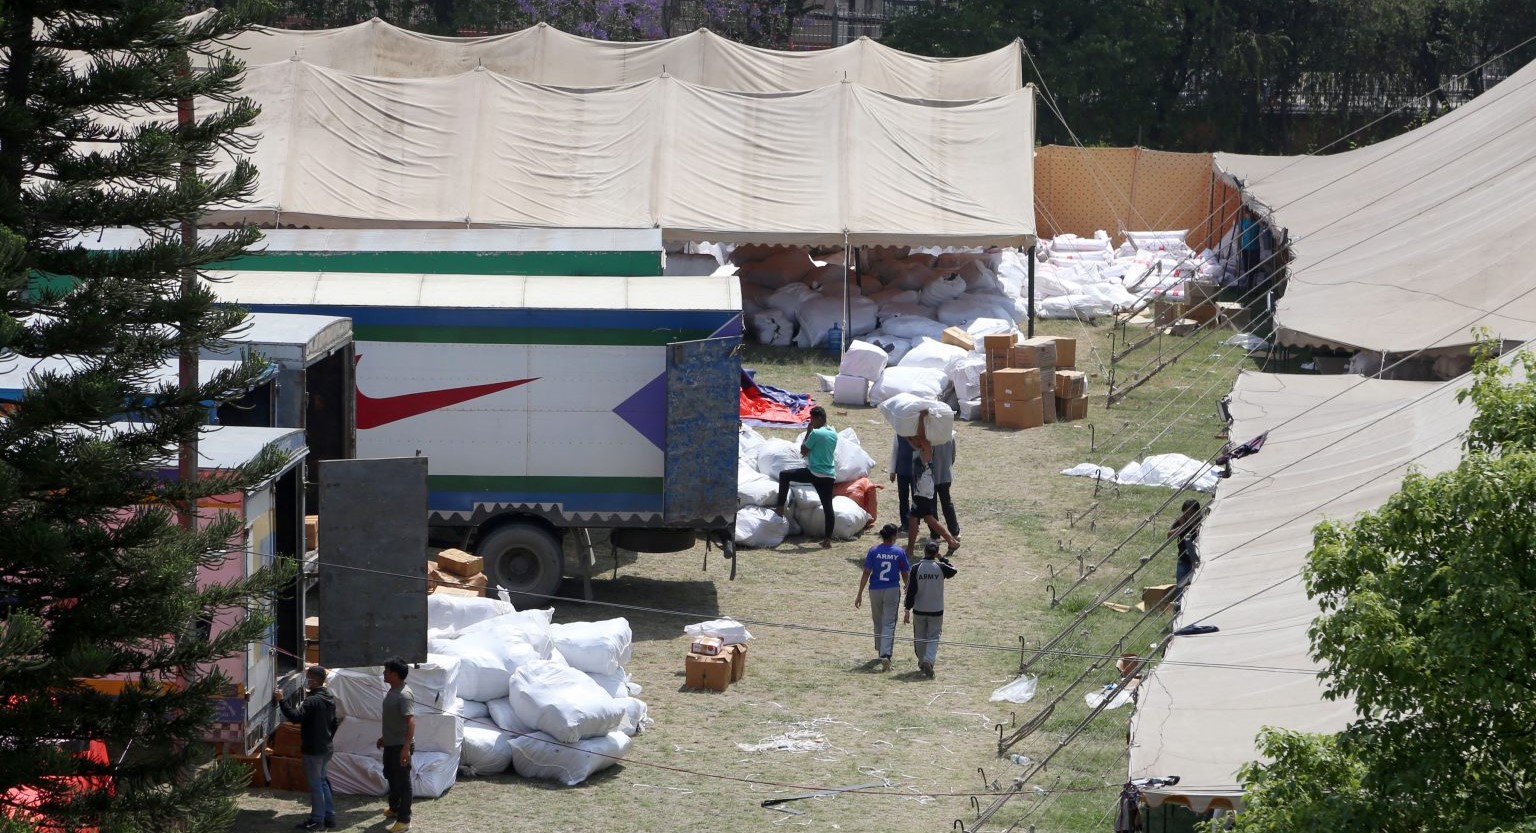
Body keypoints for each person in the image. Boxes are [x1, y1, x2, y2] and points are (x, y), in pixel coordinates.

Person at [273, 666, 338, 831]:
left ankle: (317, 820)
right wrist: (327, 737)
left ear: (314, 681)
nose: (305, 680)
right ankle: (329, 817)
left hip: (314, 749)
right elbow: (335, 723)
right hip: (326, 747)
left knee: (316, 784)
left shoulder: (311, 701)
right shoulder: (329, 697)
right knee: (323, 782)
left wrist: (281, 700)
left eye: (307, 677)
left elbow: (295, 717)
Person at [773, 405, 838, 548]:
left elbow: (803, 451)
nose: (811, 422)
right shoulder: (833, 432)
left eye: (812, 419)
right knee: (828, 507)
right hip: (829, 475)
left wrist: (808, 432)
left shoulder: (816, 433)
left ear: (819, 418)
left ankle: (780, 508)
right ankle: (827, 540)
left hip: (814, 473)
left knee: (784, 475)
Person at [854, 523, 910, 672]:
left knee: (877, 620)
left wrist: (859, 593)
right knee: (889, 622)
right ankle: (886, 653)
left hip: (875, 589)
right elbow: (905, 573)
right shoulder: (899, 552)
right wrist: (908, 586)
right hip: (891, 589)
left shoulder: (873, 551)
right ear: (893, 536)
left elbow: (866, 572)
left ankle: (880, 648)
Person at [904, 540, 956, 678]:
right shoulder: (940, 567)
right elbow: (954, 569)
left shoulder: (916, 567)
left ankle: (922, 662)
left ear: (925, 551)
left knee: (919, 637)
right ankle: (928, 660)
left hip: (919, 609)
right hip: (936, 609)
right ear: (936, 552)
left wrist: (907, 609)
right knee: (933, 636)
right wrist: (941, 557)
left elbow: (911, 590)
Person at [377, 658, 416, 833]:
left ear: (394, 674)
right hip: (391, 744)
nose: (384, 673)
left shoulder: (404, 694)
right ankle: (395, 808)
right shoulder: (392, 691)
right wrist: (384, 738)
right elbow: (395, 720)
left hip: (400, 746)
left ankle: (404, 820)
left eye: (386, 671)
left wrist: (406, 748)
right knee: (391, 776)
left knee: (403, 783)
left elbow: (411, 723)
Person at [907, 449, 959, 556]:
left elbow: (917, 444)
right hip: (924, 484)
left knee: (913, 517)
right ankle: (951, 542)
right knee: (928, 517)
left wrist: (907, 437)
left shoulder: (924, 441)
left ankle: (909, 550)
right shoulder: (923, 442)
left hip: (922, 486)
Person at [1168, 499, 1205, 596]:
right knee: (1181, 587)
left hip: (1199, 560)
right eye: (1187, 513)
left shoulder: (1203, 522)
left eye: (1192, 513)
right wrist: (1182, 525)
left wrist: (1194, 524)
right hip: (1184, 560)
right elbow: (1169, 536)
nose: (1189, 516)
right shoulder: (1181, 521)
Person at [928, 436, 959, 542]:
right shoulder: (950, 436)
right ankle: (955, 532)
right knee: (947, 503)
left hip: (931, 476)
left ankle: (935, 534)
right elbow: (953, 456)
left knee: (931, 506)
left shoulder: (930, 436)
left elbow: (927, 457)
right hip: (946, 475)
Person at [888, 434, 915, 531]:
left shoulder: (918, 432)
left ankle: (914, 523)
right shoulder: (898, 434)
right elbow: (895, 451)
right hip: (902, 471)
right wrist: (892, 471)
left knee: (916, 499)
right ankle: (905, 523)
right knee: (903, 498)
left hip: (916, 472)